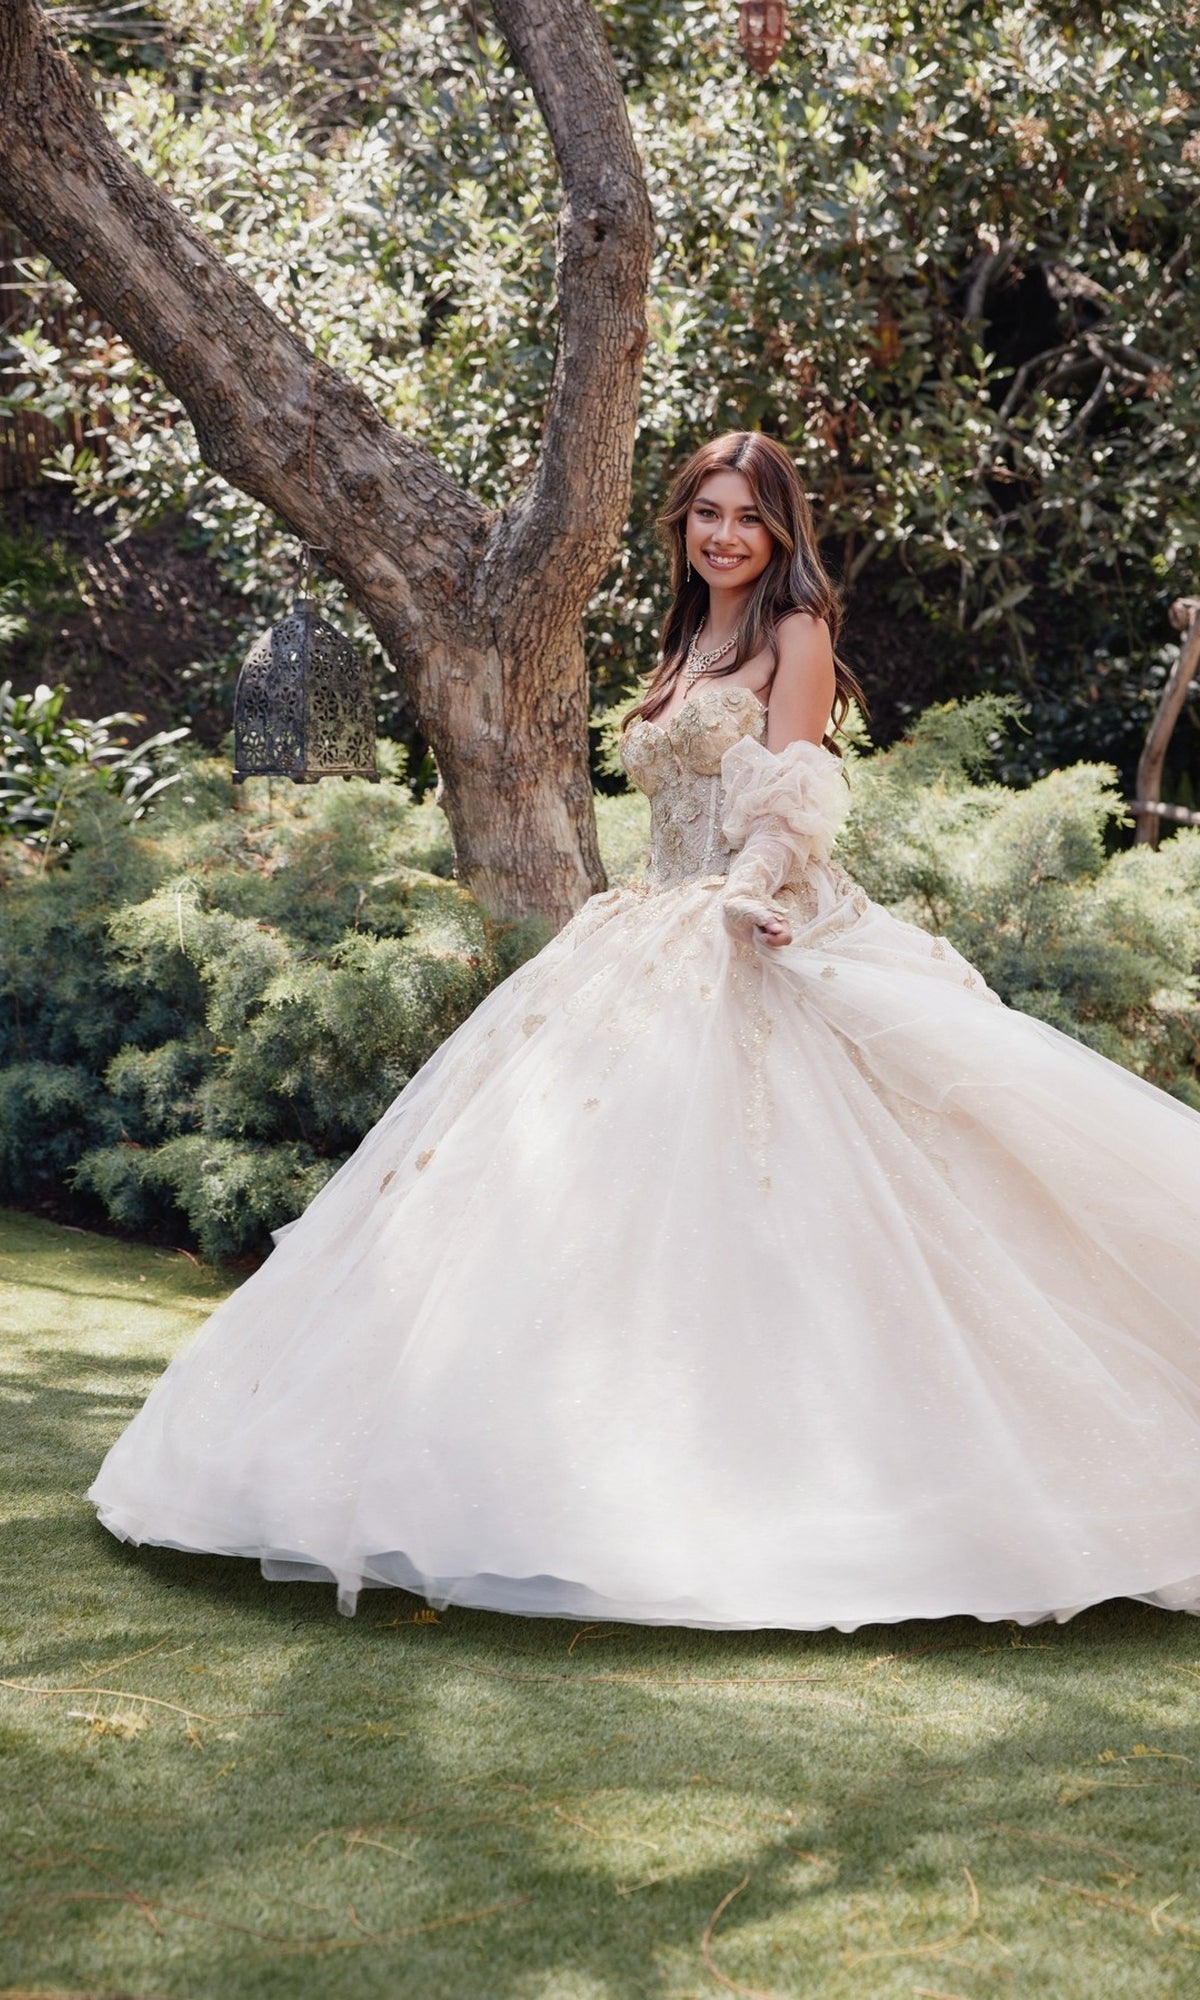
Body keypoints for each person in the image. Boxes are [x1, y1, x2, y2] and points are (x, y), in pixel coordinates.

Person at [91, 431, 1200, 1631]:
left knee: (792, 1195)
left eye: (750, 518)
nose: (727, 535)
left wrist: (753, 886)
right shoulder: (686, 642)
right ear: (681, 526)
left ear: (782, 532)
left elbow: (796, 785)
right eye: (708, 513)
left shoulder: (795, 632)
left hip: (747, 919)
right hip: (641, 933)